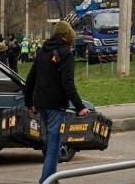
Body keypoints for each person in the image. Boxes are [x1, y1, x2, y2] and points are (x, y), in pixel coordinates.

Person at [24, 22, 89, 184]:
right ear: (67, 35)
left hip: (41, 104)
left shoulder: (42, 51)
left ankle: (51, 179)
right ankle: (47, 180)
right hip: (55, 106)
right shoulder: (66, 53)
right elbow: (67, 83)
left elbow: (30, 79)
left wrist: (29, 102)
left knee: (50, 143)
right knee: (54, 146)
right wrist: (80, 107)